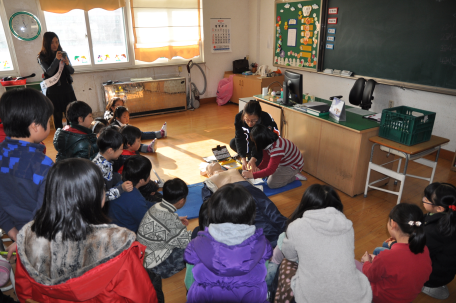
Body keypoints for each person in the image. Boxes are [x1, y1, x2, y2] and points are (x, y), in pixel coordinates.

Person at [14, 158, 158, 303]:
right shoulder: (118, 247)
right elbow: (143, 297)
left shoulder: (28, 238)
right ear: (98, 197)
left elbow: (24, 291)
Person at [276, 184, 372, 303]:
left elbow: (290, 255)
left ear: (305, 205)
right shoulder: (347, 225)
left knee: (285, 263)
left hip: (313, 298)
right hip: (354, 297)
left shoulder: (296, 227)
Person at [184, 183, 272, 303]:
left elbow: (189, 281)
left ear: (213, 213)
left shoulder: (196, 245)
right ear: (251, 214)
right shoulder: (262, 245)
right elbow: (263, 276)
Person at [0, 88, 54, 259]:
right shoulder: (44, 165)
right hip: (42, 238)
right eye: (48, 120)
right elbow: (44, 213)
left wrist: (14, 233)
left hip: (16, 231)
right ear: (36, 126)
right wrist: (25, 239)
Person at [200, 162, 287, 246]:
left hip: (242, 193)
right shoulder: (229, 173)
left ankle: (281, 239)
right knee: (264, 215)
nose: (212, 163)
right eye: (211, 164)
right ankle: (282, 238)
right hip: (243, 193)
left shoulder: (215, 178)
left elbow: (208, 201)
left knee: (265, 215)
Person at [361, 203, 432, 303]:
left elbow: (370, 275)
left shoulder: (386, 257)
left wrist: (367, 262)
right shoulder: (424, 249)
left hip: (382, 298)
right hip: (407, 297)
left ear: (393, 224)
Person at [137, 178, 192, 278]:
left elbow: (164, 221)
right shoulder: (171, 221)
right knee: (192, 250)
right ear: (181, 201)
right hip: (153, 267)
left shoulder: (156, 206)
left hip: (141, 255)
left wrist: (176, 219)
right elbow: (187, 242)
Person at [242, 124, 305, 188]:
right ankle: (288, 175)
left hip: (293, 166)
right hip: (283, 162)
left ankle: (295, 176)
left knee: (272, 184)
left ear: (261, 142)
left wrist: (252, 175)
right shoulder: (267, 142)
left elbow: (270, 170)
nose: (255, 144)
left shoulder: (277, 149)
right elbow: (266, 160)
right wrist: (259, 169)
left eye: (255, 142)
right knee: (267, 174)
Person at [421, 183, 456, 299]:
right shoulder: (448, 217)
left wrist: (398, 243)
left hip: (434, 276)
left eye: (427, 199)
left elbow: (416, 253)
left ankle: (429, 286)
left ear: (440, 208)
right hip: (443, 270)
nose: (423, 199)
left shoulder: (434, 231)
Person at [114, 125, 162, 202]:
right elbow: (138, 180)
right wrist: (152, 187)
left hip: (134, 183)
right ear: (129, 144)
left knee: (158, 195)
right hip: (131, 187)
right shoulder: (128, 158)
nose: (141, 142)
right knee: (157, 199)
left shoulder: (128, 153)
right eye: (139, 140)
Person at [38, 32, 76, 130]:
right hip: (54, 91)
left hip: (67, 88)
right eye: (52, 42)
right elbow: (49, 72)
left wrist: (67, 64)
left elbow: (71, 71)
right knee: (57, 115)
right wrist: (56, 60)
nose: (55, 45)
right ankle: (60, 135)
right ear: (46, 43)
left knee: (70, 113)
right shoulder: (41, 57)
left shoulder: (63, 53)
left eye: (57, 42)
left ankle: (71, 133)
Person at [108, 155, 156, 233]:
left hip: (114, 229)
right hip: (127, 236)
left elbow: (145, 204)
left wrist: (159, 205)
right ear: (141, 180)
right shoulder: (135, 198)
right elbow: (146, 224)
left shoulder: (120, 185)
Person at [230, 100, 279, 170]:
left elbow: (262, 142)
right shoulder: (238, 117)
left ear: (259, 116)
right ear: (243, 115)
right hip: (252, 142)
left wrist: (254, 158)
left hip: (265, 145)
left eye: (254, 120)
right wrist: (243, 158)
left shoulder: (266, 119)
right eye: (247, 119)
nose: (250, 123)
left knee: (260, 166)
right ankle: (250, 157)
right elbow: (239, 138)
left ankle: (253, 157)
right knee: (233, 142)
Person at [92, 127, 133, 201]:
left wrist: (118, 177)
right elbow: (102, 197)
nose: (122, 152)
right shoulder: (100, 169)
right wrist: (121, 188)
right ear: (110, 151)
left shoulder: (102, 159)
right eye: (121, 149)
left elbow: (109, 177)